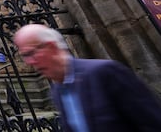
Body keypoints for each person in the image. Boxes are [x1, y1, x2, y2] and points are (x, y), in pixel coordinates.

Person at [13, 24, 161, 132]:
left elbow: (152, 121)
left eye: (30, 53)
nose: (29, 62)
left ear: (51, 46)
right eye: (24, 56)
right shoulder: (57, 91)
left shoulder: (105, 72)